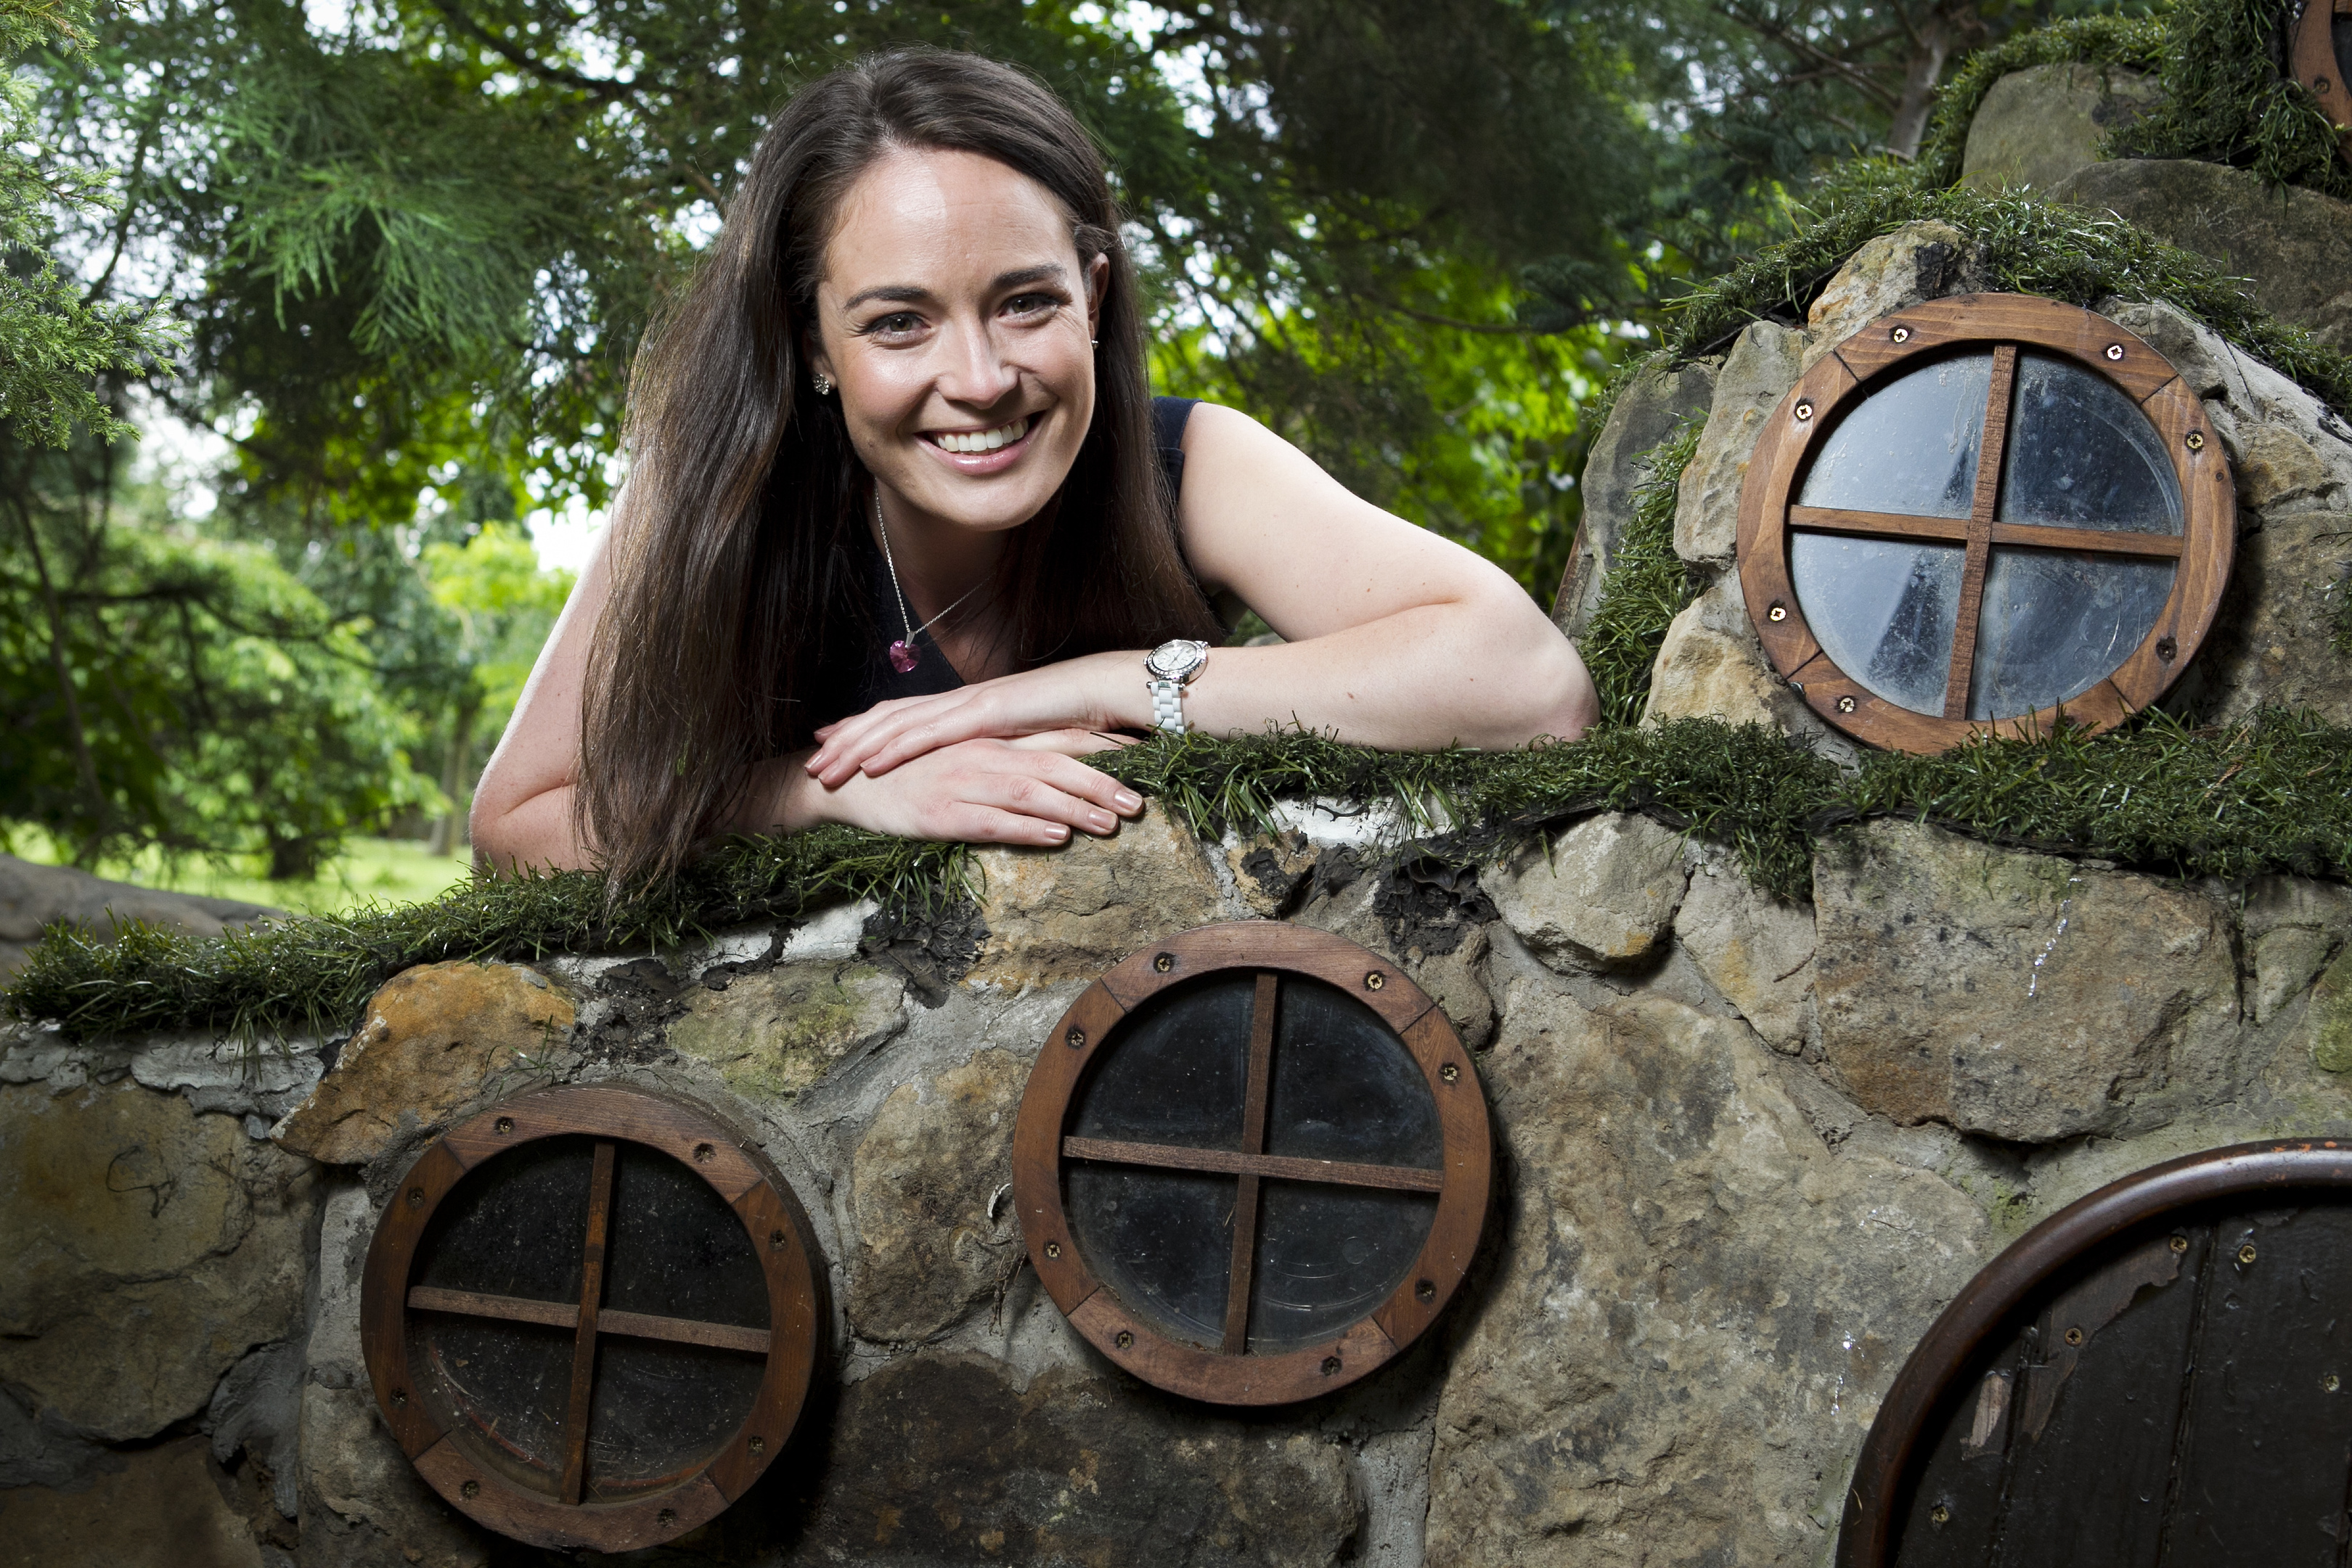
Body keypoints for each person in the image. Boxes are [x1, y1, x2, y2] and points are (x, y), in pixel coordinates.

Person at [471, 49, 1596, 886]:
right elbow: (517, 825)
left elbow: (1530, 690)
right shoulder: (716, 487)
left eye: (1025, 303)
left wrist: (1096, 685)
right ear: (812, 344)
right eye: (899, 323)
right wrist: (834, 790)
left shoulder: (1185, 460)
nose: (979, 378)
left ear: (1093, 297)